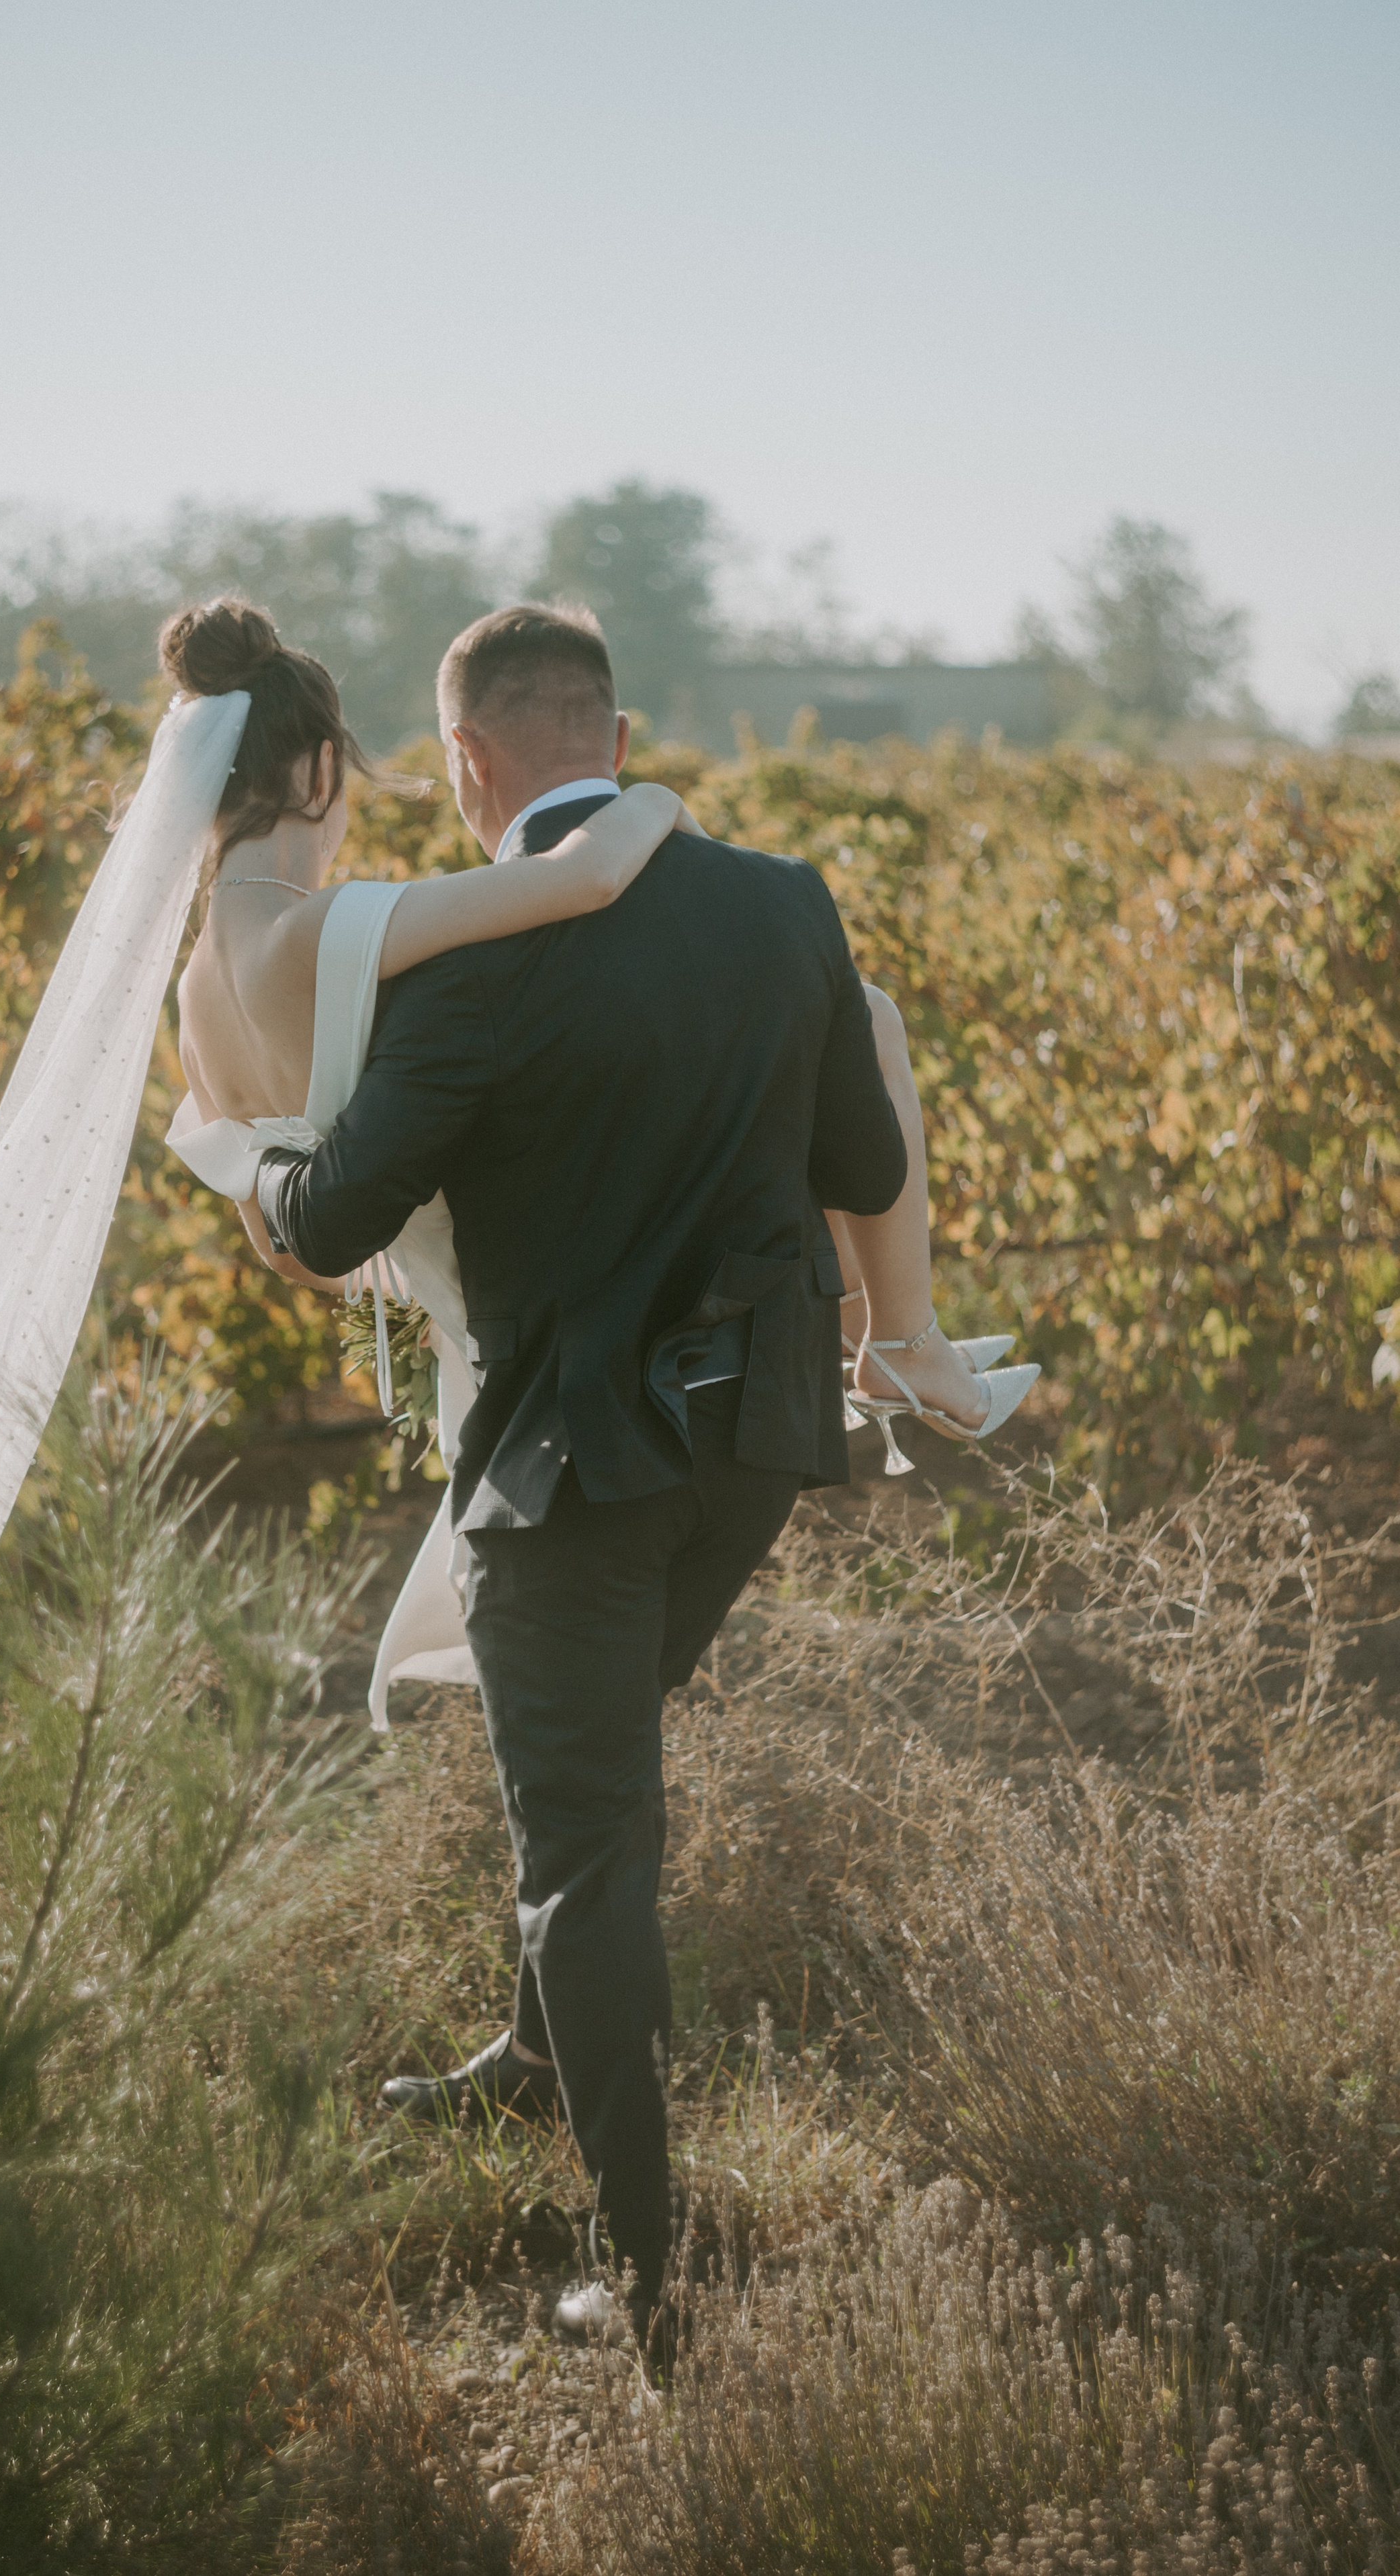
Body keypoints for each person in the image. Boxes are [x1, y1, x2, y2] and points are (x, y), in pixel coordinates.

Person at [233, 602, 1035, 2364]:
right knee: (591, 1789)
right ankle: (529, 2064)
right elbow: (860, 1158)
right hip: (752, 1453)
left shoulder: (465, 965)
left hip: (567, 1478)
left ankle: (651, 2283)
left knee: (586, 1850)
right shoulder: (782, 906)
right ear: (615, 729)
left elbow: (343, 1217)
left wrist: (249, 1173)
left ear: (469, 764)